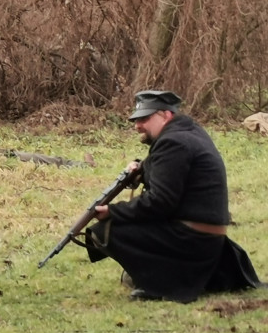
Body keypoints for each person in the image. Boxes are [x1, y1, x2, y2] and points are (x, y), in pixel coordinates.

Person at [86, 89, 261, 302]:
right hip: (208, 239)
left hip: (192, 239)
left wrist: (113, 211)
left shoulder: (173, 143)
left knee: (105, 230)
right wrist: (142, 170)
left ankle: (160, 283)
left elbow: (160, 202)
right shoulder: (187, 133)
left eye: (145, 118)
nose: (137, 125)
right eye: (136, 119)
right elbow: (169, 173)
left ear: (166, 115)